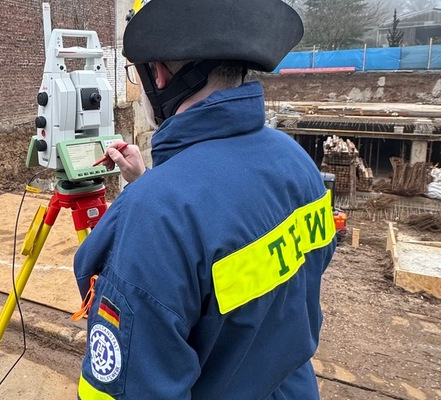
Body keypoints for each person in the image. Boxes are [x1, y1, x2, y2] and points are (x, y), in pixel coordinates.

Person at [74, 0, 337, 398]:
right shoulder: (296, 161)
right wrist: (149, 182)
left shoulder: (152, 217)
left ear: (158, 74)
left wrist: (153, 194)